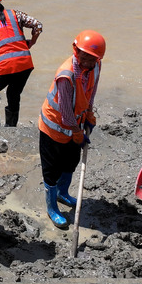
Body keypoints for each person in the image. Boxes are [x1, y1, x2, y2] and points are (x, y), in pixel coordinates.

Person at [37, 30, 104, 229]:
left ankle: (62, 193)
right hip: (54, 128)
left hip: (77, 123)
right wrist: (77, 133)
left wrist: (90, 115)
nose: (88, 60)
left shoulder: (97, 67)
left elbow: (91, 92)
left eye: (92, 58)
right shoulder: (66, 76)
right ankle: (52, 208)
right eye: (84, 55)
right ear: (76, 50)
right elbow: (66, 113)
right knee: (51, 169)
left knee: (71, 162)